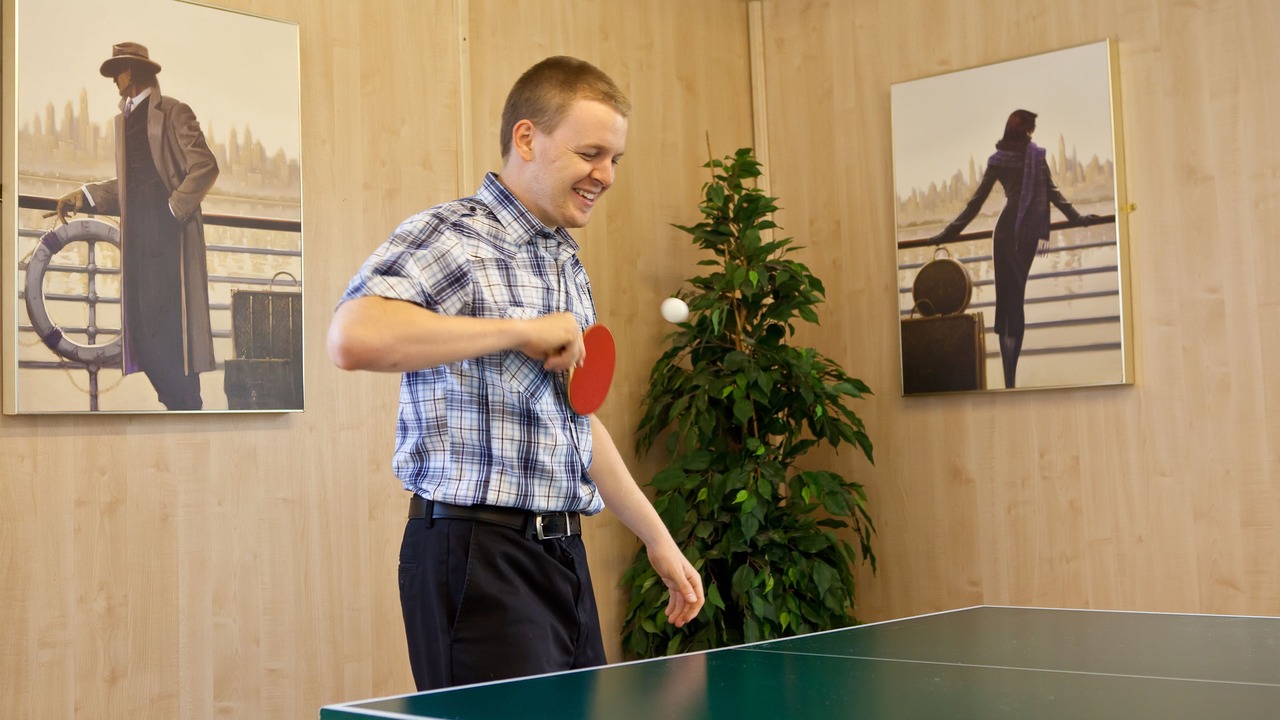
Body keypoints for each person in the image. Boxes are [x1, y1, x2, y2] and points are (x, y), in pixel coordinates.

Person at [327, 55, 705, 691]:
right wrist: (519, 331)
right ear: (527, 138)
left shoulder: (564, 261)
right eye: (591, 153)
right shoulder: (452, 236)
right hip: (476, 555)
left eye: (615, 159)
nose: (605, 175)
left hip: (561, 554)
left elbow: (576, 422)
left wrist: (658, 541)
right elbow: (352, 337)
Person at [56, 42, 218, 410]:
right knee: (144, 336)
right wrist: (83, 197)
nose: (115, 79)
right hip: (138, 242)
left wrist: (172, 209)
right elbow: (129, 186)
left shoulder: (174, 111)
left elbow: (205, 166)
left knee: (170, 334)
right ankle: (179, 404)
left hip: (168, 239)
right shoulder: (125, 118)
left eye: (119, 71)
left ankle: (185, 407)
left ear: (133, 72)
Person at [929, 109, 1097, 389]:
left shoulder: (1014, 158)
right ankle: (1010, 379)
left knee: (1010, 302)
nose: (1032, 135)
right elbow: (1050, 194)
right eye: (1030, 129)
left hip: (1012, 235)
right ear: (1024, 130)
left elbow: (977, 204)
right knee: (1011, 302)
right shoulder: (1025, 157)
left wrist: (949, 232)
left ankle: (1009, 379)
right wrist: (948, 233)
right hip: (1019, 236)